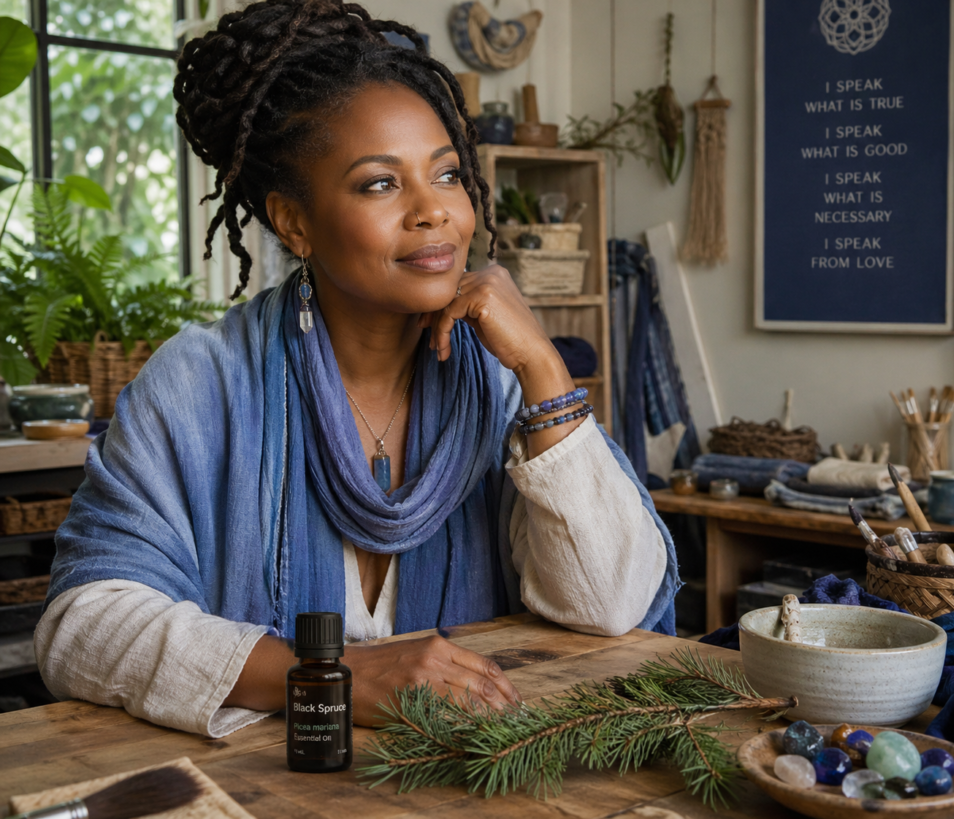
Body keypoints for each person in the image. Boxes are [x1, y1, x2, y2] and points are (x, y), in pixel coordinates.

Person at [34, 0, 678, 737]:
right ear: (293, 222)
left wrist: (541, 365)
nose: (433, 211)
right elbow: (82, 627)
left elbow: (609, 603)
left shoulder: (498, 385)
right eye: (380, 183)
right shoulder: (200, 385)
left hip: (471, 781)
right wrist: (323, 676)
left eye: (447, 175)